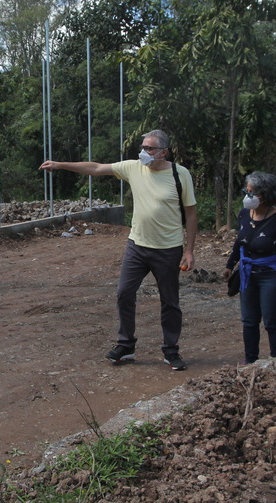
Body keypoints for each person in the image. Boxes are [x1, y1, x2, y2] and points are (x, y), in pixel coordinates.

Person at [39, 129, 197, 370]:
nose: (144, 152)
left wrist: (189, 250)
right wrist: (60, 165)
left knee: (170, 301)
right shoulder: (133, 167)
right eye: (143, 147)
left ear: (164, 152)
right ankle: (126, 346)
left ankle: (171, 350)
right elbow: (95, 168)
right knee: (124, 292)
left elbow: (191, 213)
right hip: (137, 246)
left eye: (150, 149)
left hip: (168, 248)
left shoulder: (179, 174)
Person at [223, 171, 276, 365]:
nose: (247, 197)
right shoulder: (243, 215)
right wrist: (230, 265)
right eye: (246, 191)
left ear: (265, 195)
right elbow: (240, 242)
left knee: (272, 322)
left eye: (252, 193)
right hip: (248, 274)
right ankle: (251, 361)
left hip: (271, 276)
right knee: (249, 321)